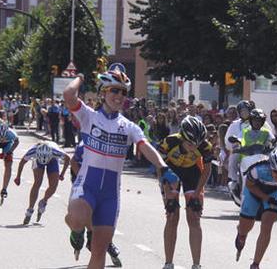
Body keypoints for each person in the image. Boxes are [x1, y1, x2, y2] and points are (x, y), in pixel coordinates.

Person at [63, 71, 174, 269]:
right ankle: (76, 230)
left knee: (98, 253)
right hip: (87, 185)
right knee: (78, 219)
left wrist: (162, 166)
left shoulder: (129, 126)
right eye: (114, 90)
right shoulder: (89, 116)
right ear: (102, 93)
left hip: (110, 195)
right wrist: (80, 76)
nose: (119, 96)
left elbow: (145, 146)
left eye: (123, 92)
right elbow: (69, 95)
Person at [156, 116, 213, 269]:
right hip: (170, 172)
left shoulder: (205, 147)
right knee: (172, 215)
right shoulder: (169, 142)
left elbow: (207, 170)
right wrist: (167, 193)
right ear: (182, 137)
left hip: (192, 173)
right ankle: (168, 263)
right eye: (190, 144)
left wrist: (197, 193)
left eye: (197, 144)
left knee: (194, 217)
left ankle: (196, 264)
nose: (194, 147)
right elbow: (159, 167)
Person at [235, 147, 277, 269]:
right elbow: (250, 186)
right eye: (276, 172)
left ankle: (255, 264)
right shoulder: (257, 170)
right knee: (246, 226)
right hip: (254, 190)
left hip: (275, 191)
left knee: (267, 226)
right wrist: (265, 197)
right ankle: (241, 233)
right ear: (270, 166)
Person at [14, 141, 70, 224]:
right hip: (38, 161)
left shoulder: (55, 152)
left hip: (52, 159)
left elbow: (68, 158)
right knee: (37, 182)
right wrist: (18, 176)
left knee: (53, 186)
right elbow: (22, 162)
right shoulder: (33, 151)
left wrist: (62, 174)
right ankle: (30, 209)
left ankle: (43, 201)